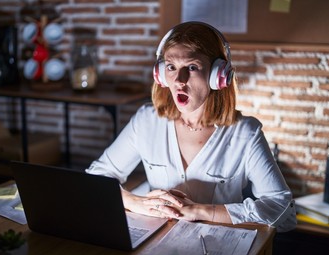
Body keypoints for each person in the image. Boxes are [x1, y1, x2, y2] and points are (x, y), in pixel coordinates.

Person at [86, 21, 296, 232]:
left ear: (218, 76)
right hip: (154, 243)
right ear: (160, 74)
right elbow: (96, 178)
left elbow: (281, 208)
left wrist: (199, 211)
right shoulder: (146, 121)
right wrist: (135, 202)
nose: (179, 80)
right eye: (171, 67)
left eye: (192, 67)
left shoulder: (246, 133)